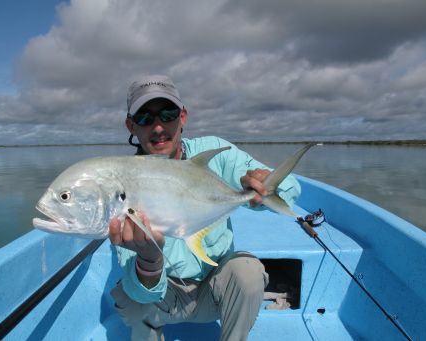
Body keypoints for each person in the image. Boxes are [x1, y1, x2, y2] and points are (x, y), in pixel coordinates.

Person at [109, 75, 301, 341]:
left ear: (183, 116)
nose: (158, 127)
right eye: (145, 118)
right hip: (165, 297)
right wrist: (149, 260)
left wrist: (263, 185)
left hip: (215, 289)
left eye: (168, 114)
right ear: (131, 125)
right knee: (131, 299)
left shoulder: (216, 152)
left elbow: (290, 187)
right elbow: (142, 294)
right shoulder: (122, 184)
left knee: (247, 271)